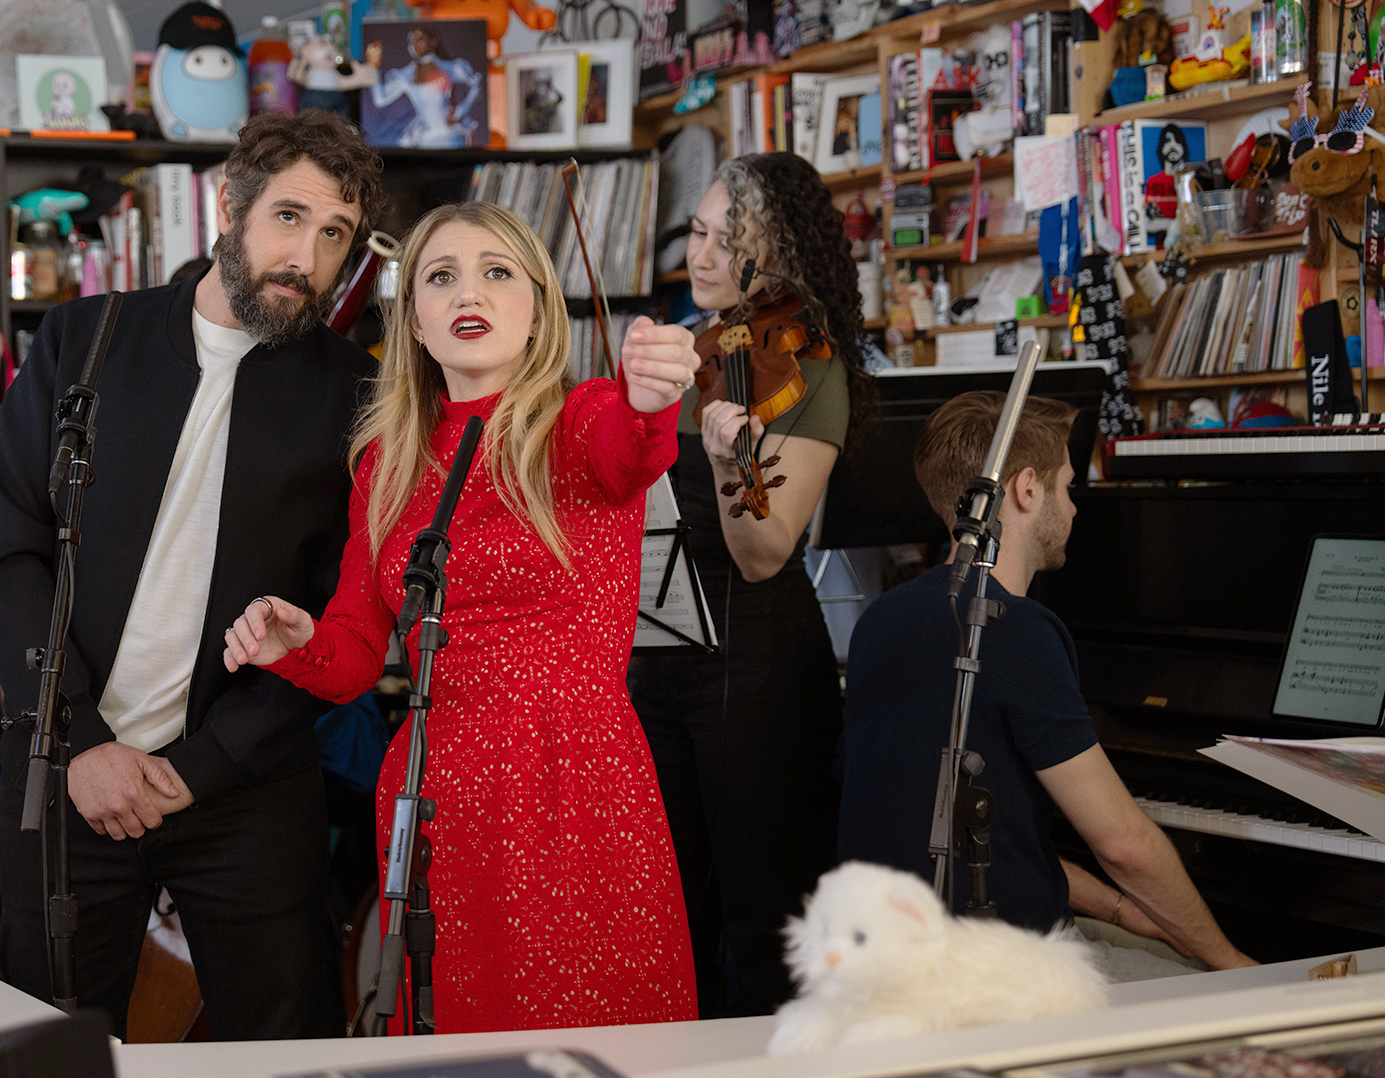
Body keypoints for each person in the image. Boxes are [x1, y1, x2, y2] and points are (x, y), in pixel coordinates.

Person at [224, 200, 701, 1033]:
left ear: (538, 305)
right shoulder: (386, 459)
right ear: (412, 318)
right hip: (435, 791)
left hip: (572, 782)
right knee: (459, 1034)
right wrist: (294, 642)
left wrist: (654, 396)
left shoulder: (579, 417)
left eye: (496, 272)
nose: (466, 293)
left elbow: (634, 449)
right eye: (440, 277)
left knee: (586, 1026)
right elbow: (355, 657)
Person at [0, 109, 384, 1039]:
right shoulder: (81, 339)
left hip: (244, 783)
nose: (306, 257)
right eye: (289, 217)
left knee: (288, 1046)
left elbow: (336, 613)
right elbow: (7, 550)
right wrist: (79, 743)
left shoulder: (355, 391)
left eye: (334, 236)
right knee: (58, 1045)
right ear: (230, 203)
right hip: (63, 764)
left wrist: (200, 768)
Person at [839, 390, 1258, 978]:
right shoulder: (1020, 630)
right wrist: (1234, 965)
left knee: (1151, 936)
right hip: (1000, 971)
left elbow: (989, 841)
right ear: (1026, 489)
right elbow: (1124, 846)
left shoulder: (879, 621)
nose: (1075, 506)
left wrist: (1116, 907)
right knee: (1202, 985)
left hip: (891, 949)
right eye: (1066, 485)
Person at [626, 152, 871, 1017]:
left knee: (763, 922)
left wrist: (731, 456)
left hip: (756, 665)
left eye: (732, 241)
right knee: (669, 913)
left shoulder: (809, 362)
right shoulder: (689, 350)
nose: (704, 256)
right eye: (697, 231)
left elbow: (765, 550)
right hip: (659, 657)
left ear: (780, 250)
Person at [366, 26, 484, 149]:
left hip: (451, 136)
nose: (414, 45)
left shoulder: (450, 68)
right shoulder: (406, 75)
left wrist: (462, 109)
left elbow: (477, 84)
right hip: (424, 138)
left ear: (433, 41)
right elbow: (380, 99)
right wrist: (374, 66)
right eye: (411, 41)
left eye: (420, 39)